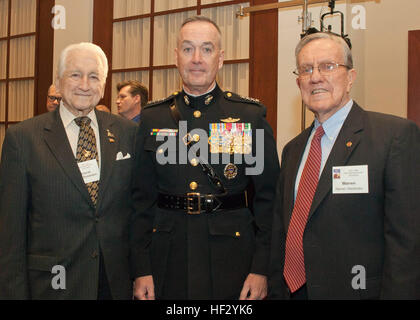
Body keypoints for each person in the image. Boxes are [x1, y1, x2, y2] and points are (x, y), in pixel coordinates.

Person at [132, 16, 280, 300]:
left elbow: (269, 200)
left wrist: (261, 268)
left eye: (207, 49)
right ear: (176, 57)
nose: (196, 59)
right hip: (168, 256)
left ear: (221, 58)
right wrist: (141, 268)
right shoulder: (154, 117)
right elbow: (141, 200)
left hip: (233, 257)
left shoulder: (248, 116)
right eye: (188, 49)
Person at [269, 32, 420, 299]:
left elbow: (407, 243)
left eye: (328, 66)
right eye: (306, 69)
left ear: (350, 77)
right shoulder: (292, 150)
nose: (316, 77)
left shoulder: (393, 137)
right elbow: (282, 231)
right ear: (299, 82)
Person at [0, 42, 142, 299]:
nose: (85, 85)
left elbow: (137, 211)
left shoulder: (127, 133)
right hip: (52, 284)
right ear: (59, 80)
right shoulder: (23, 138)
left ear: (104, 83)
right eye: (75, 75)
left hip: (113, 283)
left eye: (94, 76)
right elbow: (11, 233)